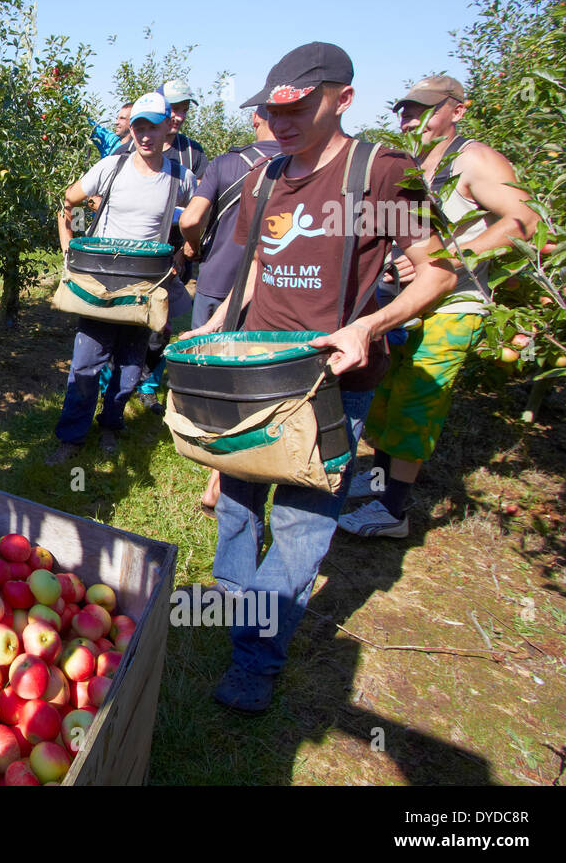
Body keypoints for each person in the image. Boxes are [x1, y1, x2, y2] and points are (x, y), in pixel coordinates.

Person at [181, 42, 458, 713]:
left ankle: (255, 658)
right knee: (240, 505)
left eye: (299, 108)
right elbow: (253, 266)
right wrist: (217, 323)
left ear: (343, 98)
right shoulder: (265, 179)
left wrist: (369, 326)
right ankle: (234, 608)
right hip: (257, 370)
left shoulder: (380, 175)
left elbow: (441, 270)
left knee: (304, 522)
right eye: (272, 111)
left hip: (332, 381)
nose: (282, 123)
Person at [338, 75, 539, 538]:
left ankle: (393, 512)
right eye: (406, 109)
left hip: (452, 306)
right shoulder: (416, 163)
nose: (412, 117)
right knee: (387, 400)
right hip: (408, 304)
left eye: (425, 108)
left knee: (416, 407)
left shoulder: (475, 158)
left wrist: (448, 261)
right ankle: (379, 481)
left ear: (459, 110)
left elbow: (525, 219)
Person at [48, 91, 196, 465]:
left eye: (153, 127)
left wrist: (184, 251)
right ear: (132, 129)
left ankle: (111, 427)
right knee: (85, 362)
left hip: (146, 287)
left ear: (168, 129)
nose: (146, 135)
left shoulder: (181, 177)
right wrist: (68, 247)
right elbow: (67, 201)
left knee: (130, 368)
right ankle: (71, 437)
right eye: (139, 127)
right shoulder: (111, 168)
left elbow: (199, 217)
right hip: (102, 283)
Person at [176, 105, 281, 515]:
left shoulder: (226, 163)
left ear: (255, 118)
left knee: (210, 370)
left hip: (218, 279)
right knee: (249, 377)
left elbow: (192, 218)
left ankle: (209, 447)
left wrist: (194, 247)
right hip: (271, 288)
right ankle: (222, 475)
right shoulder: (299, 168)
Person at [135, 78, 209, 408]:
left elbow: (203, 208)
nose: (178, 115)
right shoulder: (131, 147)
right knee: (125, 319)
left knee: (160, 326)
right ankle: (116, 384)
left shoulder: (193, 153)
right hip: (135, 255)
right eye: (173, 108)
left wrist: (183, 252)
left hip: (172, 258)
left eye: (182, 109)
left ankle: (148, 386)